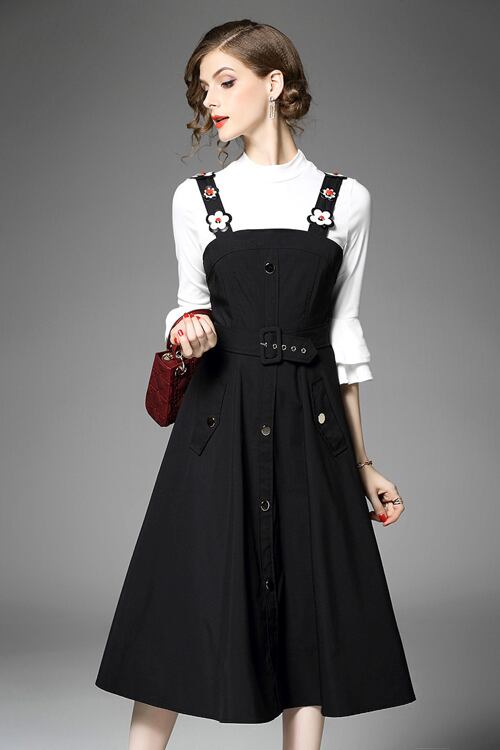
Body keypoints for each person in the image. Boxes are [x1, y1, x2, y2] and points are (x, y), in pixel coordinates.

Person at [95, 19, 416, 750]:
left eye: (224, 81)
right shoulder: (196, 197)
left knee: (310, 611)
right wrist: (189, 328)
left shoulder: (348, 200)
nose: (209, 99)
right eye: (201, 88)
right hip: (218, 424)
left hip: (312, 424)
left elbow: (343, 338)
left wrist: (363, 464)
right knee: (181, 603)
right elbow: (187, 302)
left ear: (275, 84)